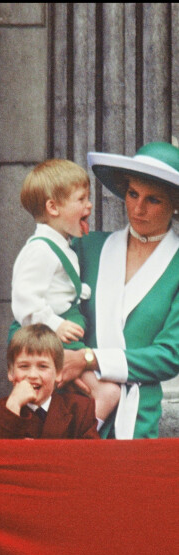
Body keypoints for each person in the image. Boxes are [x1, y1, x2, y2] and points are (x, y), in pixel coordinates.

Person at [63, 141, 179, 439]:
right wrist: (71, 358)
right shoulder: (87, 247)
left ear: (175, 204)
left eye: (153, 199)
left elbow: (170, 355)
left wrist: (90, 359)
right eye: (132, 194)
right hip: (73, 402)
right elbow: (39, 313)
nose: (138, 208)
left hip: (138, 418)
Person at [9, 159, 120, 429]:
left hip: (55, 338)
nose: (89, 206)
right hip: (48, 338)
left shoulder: (60, 245)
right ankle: (78, 442)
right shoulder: (40, 250)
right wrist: (56, 325)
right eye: (81, 199)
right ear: (53, 207)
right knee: (108, 392)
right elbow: (25, 301)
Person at [0, 324, 99, 439]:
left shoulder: (80, 410)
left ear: (58, 373)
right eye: (24, 366)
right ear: (11, 373)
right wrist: (12, 408)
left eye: (42, 366)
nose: (32, 375)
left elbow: (91, 457)